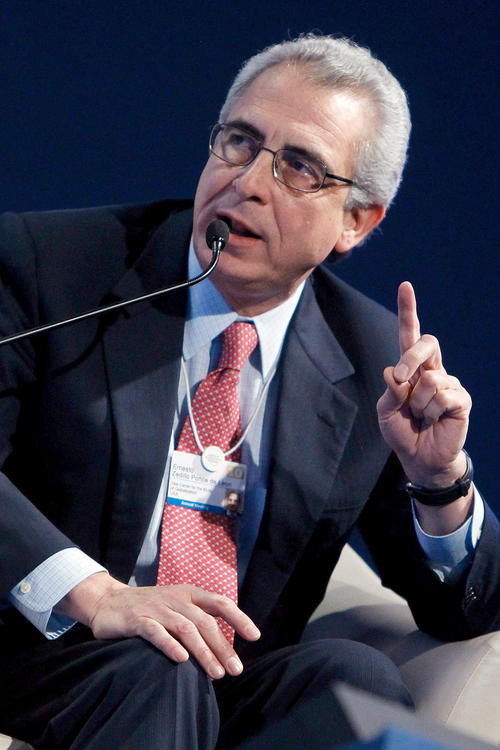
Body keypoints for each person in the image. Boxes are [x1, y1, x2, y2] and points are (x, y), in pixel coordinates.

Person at [0, 34, 498, 749]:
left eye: (299, 167)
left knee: (356, 681)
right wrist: (98, 594)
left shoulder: (372, 361)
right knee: (161, 662)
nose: (249, 183)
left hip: (220, 680)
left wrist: (440, 479)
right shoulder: (55, 269)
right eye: (239, 142)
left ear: (356, 221)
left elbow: (463, 613)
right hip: (37, 652)